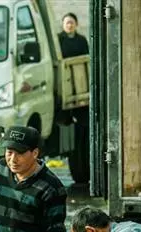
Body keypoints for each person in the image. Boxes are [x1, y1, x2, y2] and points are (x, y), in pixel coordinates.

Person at [57, 12, 91, 187]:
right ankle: (76, 172)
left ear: (76, 24)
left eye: (71, 22)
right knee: (71, 139)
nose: (69, 25)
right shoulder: (59, 40)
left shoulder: (81, 40)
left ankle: (85, 173)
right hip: (65, 93)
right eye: (66, 22)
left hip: (81, 92)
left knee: (84, 136)